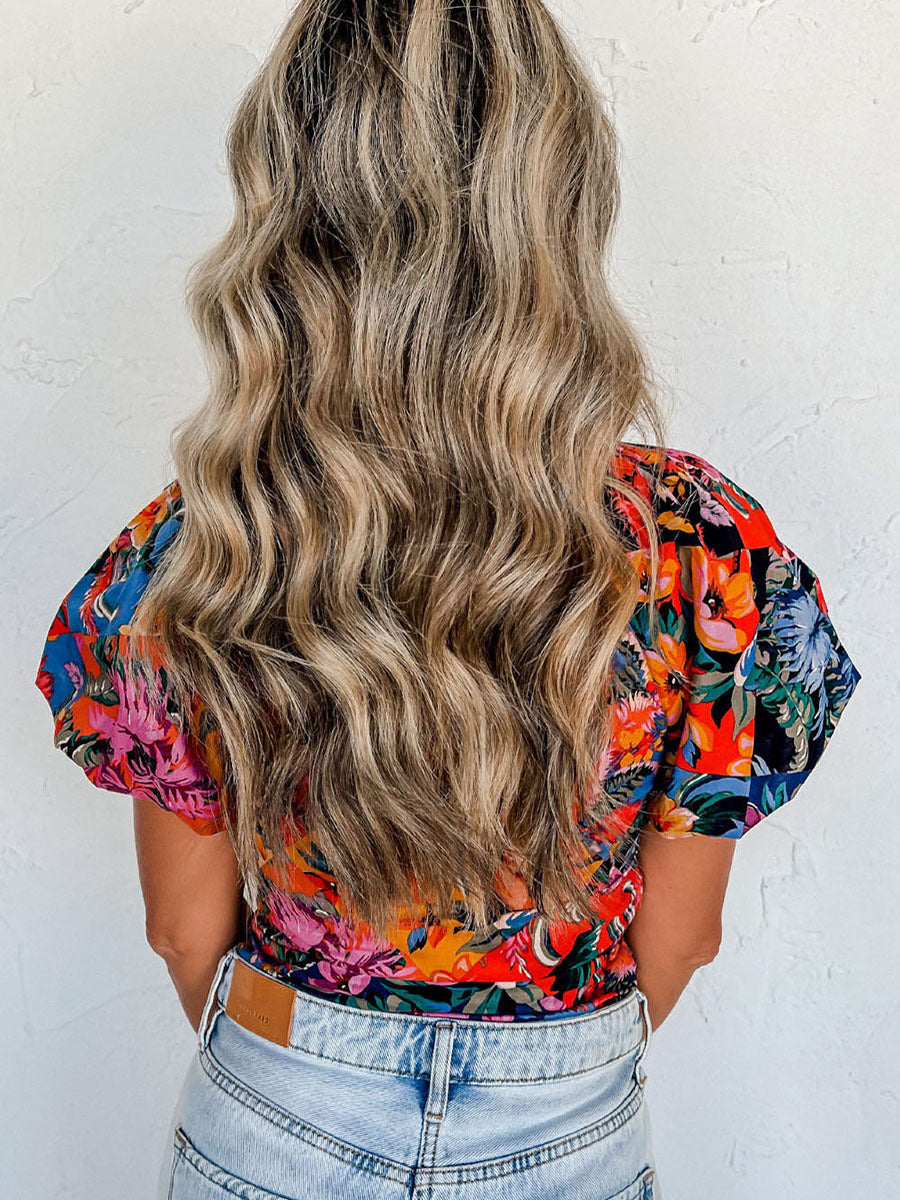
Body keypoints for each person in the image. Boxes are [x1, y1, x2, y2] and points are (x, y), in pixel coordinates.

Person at [32, 2, 861, 1198]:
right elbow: (682, 940)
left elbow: (181, 931)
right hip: (569, 1122)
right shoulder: (702, 546)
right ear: (560, 199)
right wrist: (536, 1077)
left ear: (293, 213)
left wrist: (321, 1070)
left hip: (276, 1107)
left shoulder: (206, 541)